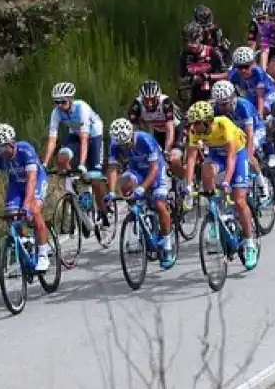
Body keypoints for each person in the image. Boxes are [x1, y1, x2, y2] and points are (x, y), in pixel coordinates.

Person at [183, 101, 258, 270]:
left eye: (196, 123)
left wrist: (226, 181)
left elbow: (231, 157)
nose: (193, 127)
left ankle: (249, 243)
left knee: (239, 201)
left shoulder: (223, 124)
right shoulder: (195, 131)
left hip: (237, 155)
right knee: (206, 169)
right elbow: (191, 158)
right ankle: (215, 213)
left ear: (207, 121)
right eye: (192, 123)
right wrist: (188, 185)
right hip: (217, 155)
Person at [106, 118, 175, 269]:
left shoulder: (145, 140)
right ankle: (140, 216)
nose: (124, 147)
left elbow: (154, 168)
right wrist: (111, 192)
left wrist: (142, 188)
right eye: (121, 145)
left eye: (126, 144)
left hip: (155, 171)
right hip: (136, 170)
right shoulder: (114, 144)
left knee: (158, 203)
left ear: (131, 135)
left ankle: (167, 243)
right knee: (125, 183)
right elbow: (112, 168)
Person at [0, 124, 53, 273]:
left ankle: (43, 253)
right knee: (11, 215)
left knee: (34, 211)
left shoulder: (25, 150)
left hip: (35, 180)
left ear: (12, 143)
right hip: (16, 184)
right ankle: (23, 242)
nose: (0, 152)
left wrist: (27, 204)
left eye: (3, 148)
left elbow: (32, 178)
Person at [44, 81, 109, 225]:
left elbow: (85, 139)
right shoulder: (56, 112)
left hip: (93, 135)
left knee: (95, 177)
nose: (59, 105)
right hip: (75, 134)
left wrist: (81, 164)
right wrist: (44, 163)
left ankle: (104, 208)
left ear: (71, 99)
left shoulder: (82, 108)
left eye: (62, 101)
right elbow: (52, 140)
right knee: (61, 159)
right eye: (56, 102)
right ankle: (75, 188)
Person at [126, 80, 184, 179]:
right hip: (158, 132)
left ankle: (185, 181)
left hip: (176, 130)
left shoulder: (165, 102)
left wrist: (167, 150)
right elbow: (132, 130)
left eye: (152, 100)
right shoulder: (137, 105)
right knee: (153, 159)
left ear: (158, 97)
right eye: (146, 100)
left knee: (174, 158)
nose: (149, 104)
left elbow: (170, 128)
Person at [178, 21, 228, 104]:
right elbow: (180, 79)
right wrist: (191, 80)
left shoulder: (213, 52)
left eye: (194, 41)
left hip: (213, 95)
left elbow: (226, 75)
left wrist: (209, 77)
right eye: (187, 41)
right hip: (194, 96)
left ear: (200, 38)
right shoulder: (184, 56)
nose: (191, 45)